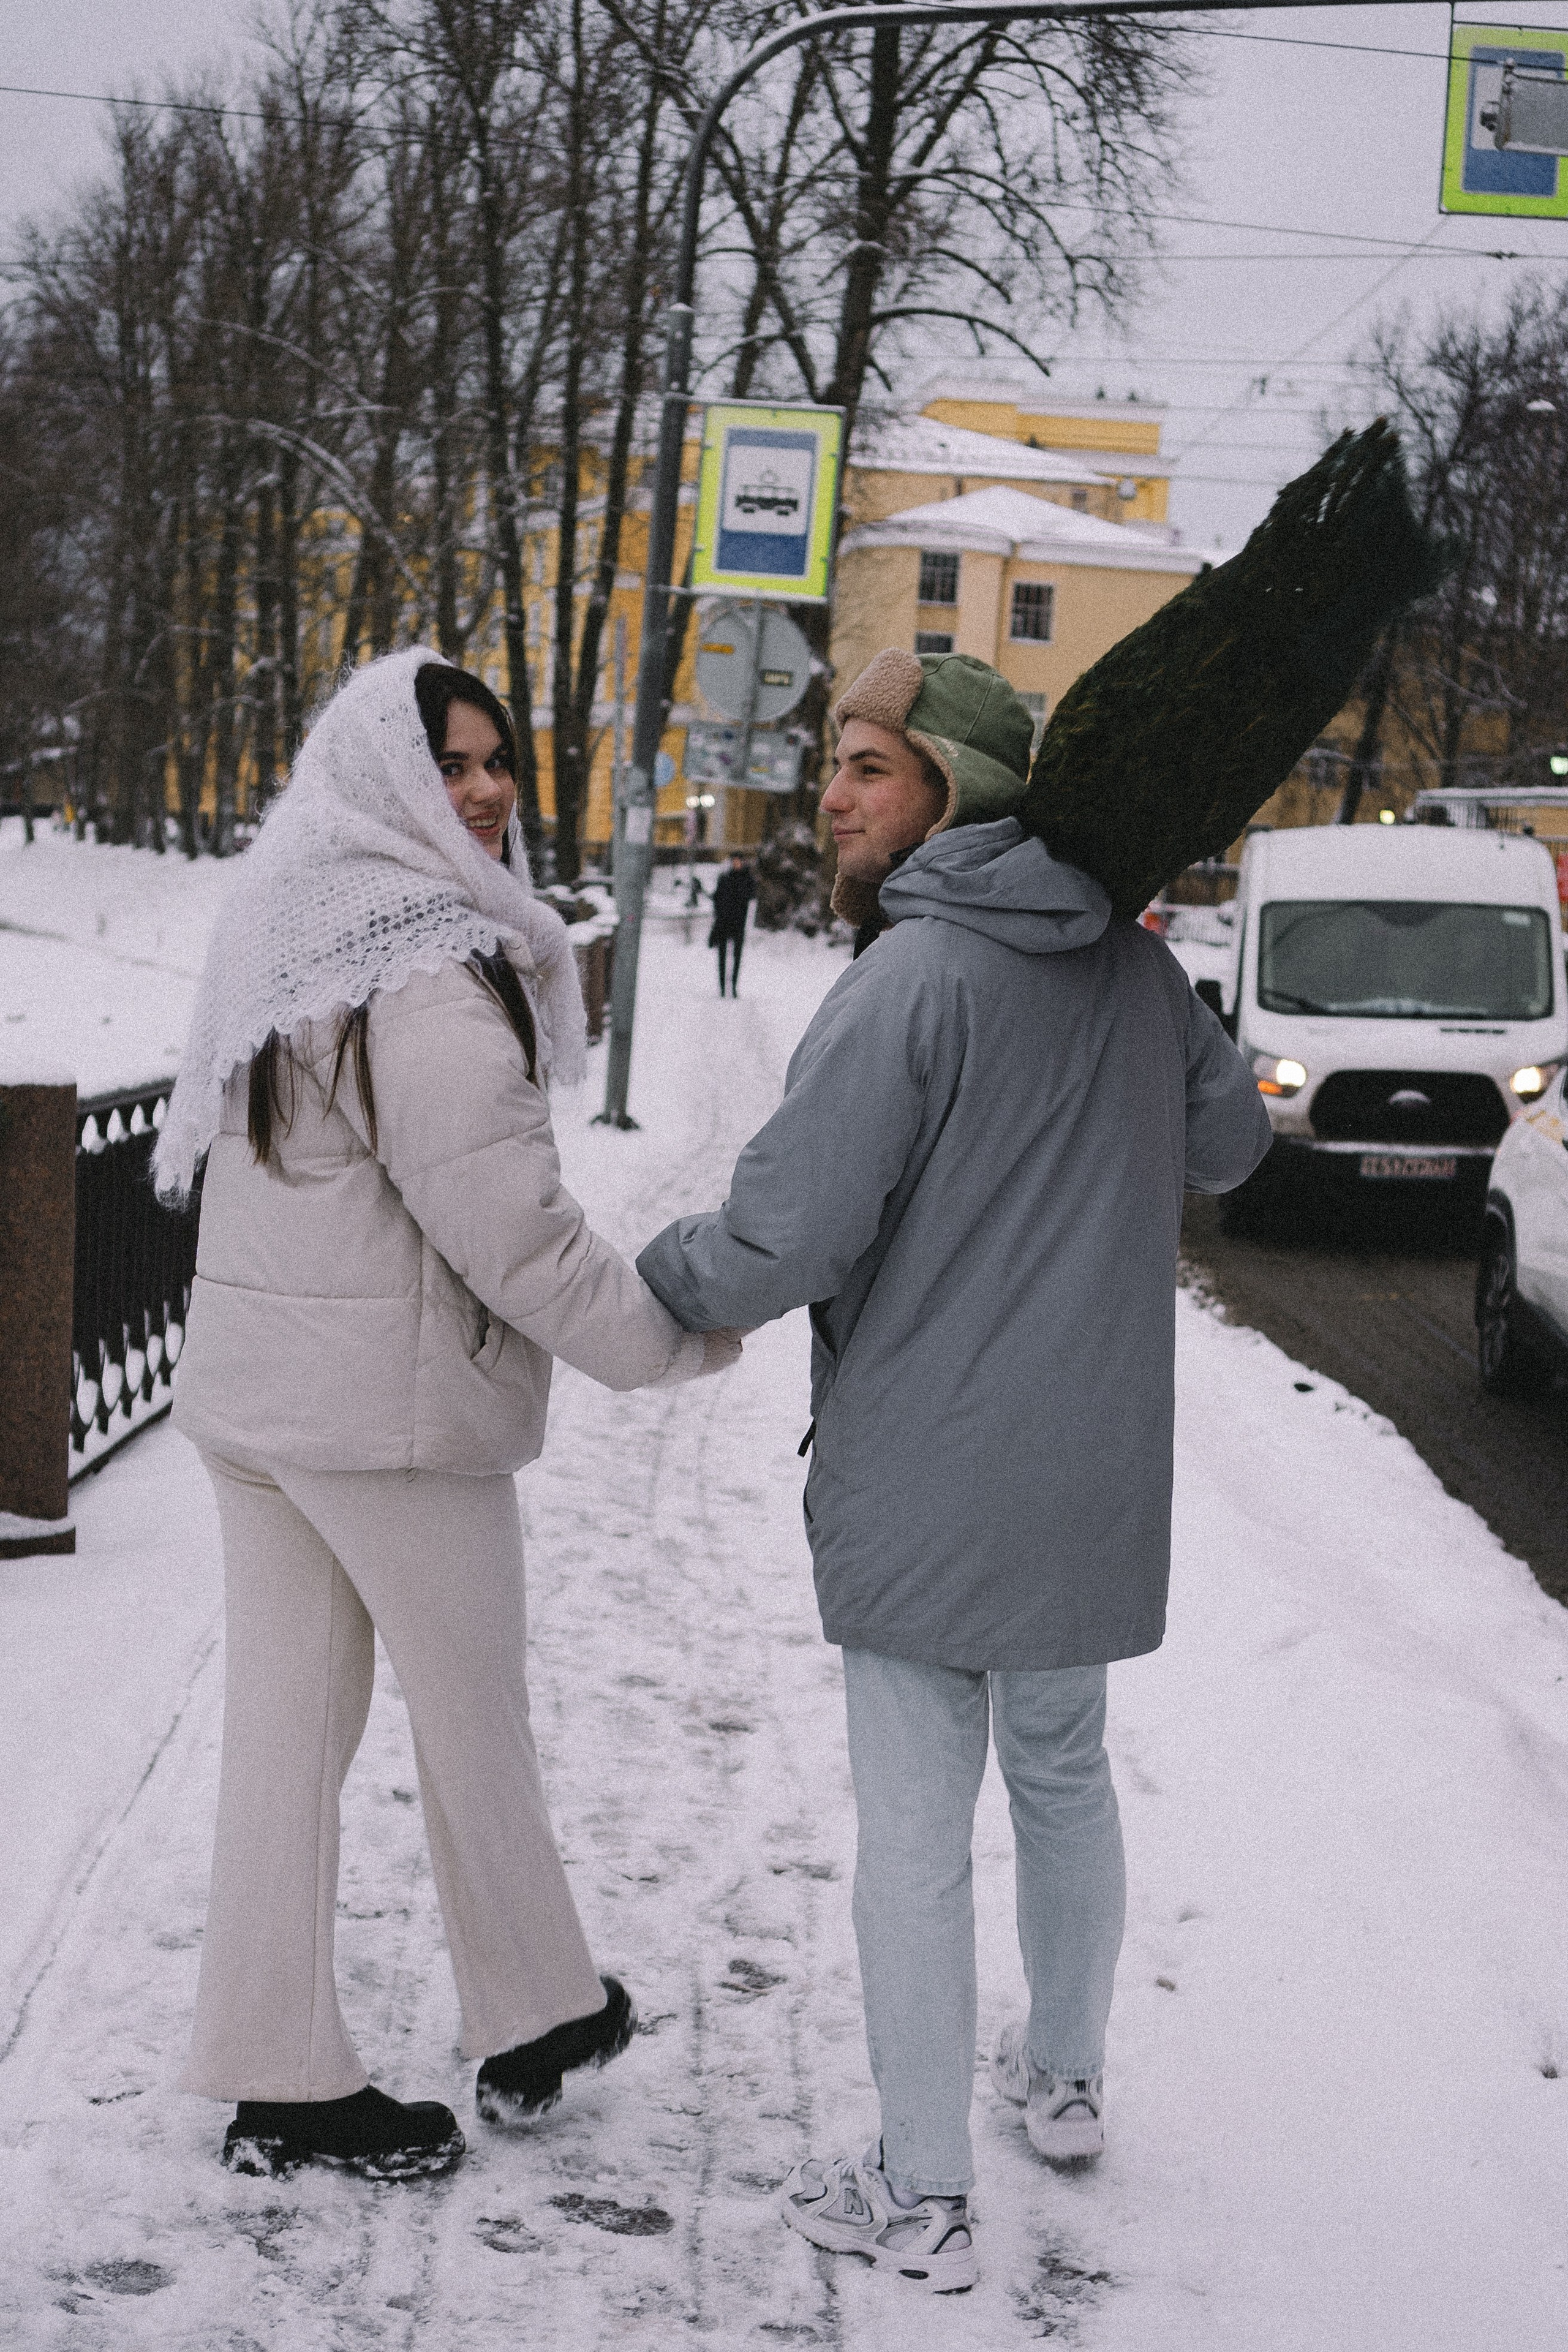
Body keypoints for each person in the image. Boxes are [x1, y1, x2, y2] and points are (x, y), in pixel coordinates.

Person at [636, 650, 1272, 2294]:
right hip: (1091, 1477)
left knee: (916, 1827)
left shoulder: (916, 976)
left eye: (867, 765)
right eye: (839, 764)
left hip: (927, 1470)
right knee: (1063, 1772)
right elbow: (1230, 1146)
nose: (834, 796)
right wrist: (1157, 981)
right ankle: (1059, 2079)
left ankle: (921, 2192)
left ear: (955, 793)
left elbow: (783, 1234)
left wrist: (654, 1279)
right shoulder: (1131, 967)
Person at [153, 649, 739, 2185]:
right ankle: (538, 2009)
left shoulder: (284, 920)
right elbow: (512, 1232)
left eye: (494, 764)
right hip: (385, 1417)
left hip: (260, 1403)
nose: (481, 792)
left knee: (286, 1739)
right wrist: (668, 1342)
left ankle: (281, 2066)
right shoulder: (417, 961)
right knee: (475, 1712)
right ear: (388, 781)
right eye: (452, 765)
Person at [708, 851, 755, 996]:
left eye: (738, 861)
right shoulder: (725, 878)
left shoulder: (748, 879)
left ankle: (733, 986)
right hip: (723, 922)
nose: (736, 864)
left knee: (736, 957)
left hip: (739, 924)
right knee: (722, 957)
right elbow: (717, 898)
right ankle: (722, 987)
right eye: (734, 861)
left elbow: (751, 897)